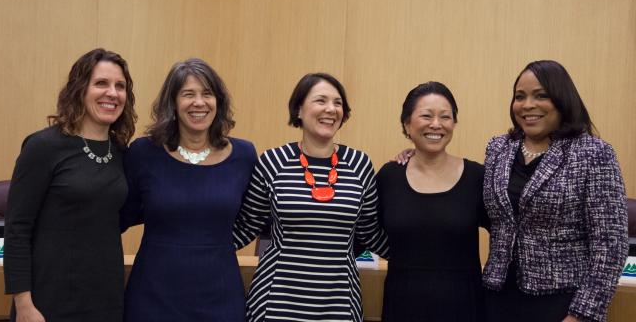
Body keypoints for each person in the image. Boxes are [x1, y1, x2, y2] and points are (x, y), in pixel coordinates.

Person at [232, 73, 389, 322]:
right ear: (298, 110)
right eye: (321, 100)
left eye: (338, 103)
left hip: (339, 304)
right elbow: (248, 225)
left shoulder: (360, 164)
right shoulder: (273, 161)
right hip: (275, 302)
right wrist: (197, 249)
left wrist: (419, 257)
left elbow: (370, 233)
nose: (331, 109)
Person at [483, 60, 628, 322]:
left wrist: (581, 314)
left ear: (562, 100)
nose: (527, 105)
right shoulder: (498, 149)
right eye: (520, 96)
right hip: (499, 297)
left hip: (562, 303)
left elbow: (610, 244)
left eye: (541, 95)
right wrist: (422, 157)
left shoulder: (593, 153)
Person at [4, 48, 136, 322]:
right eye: (101, 83)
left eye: (120, 86)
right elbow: (17, 229)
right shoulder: (43, 147)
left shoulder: (122, 153)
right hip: (47, 298)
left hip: (105, 297)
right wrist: (24, 304)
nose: (112, 93)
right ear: (80, 89)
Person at [120, 58, 257, 322]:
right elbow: (121, 216)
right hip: (153, 296)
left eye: (207, 93)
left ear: (219, 101)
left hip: (221, 294)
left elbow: (253, 218)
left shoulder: (244, 155)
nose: (199, 102)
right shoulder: (143, 153)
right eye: (188, 94)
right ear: (172, 103)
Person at [377, 82, 487, 322]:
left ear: (454, 124)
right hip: (402, 305)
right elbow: (367, 232)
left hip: (464, 307)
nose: (436, 124)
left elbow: (507, 234)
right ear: (407, 124)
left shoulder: (477, 177)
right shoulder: (389, 176)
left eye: (445, 117)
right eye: (426, 116)